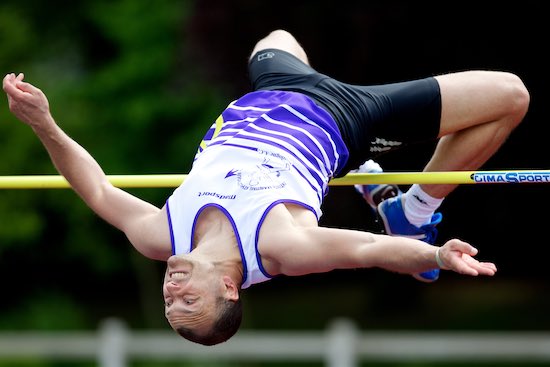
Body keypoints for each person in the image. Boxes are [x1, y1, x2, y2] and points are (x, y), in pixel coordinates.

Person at [2, 29, 528, 346]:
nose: (171, 292)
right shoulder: (279, 248)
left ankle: (379, 185)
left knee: (275, 38)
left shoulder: (160, 234)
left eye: (170, 303)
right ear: (230, 289)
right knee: (511, 95)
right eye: (188, 301)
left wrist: (43, 123)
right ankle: (415, 207)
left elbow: (93, 188)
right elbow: (368, 249)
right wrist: (432, 252)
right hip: (350, 115)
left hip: (277, 89)